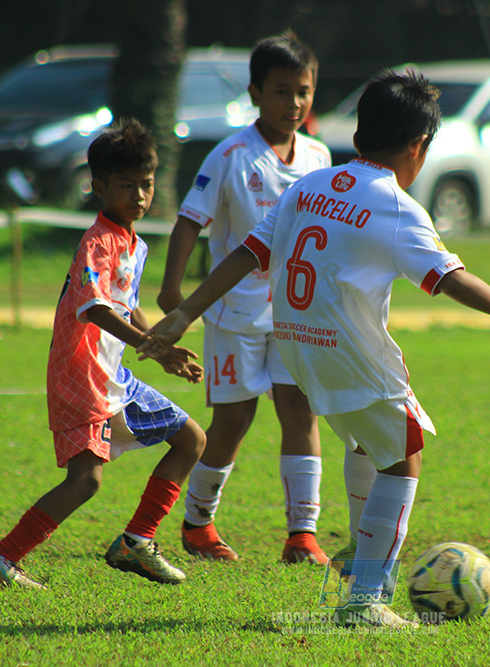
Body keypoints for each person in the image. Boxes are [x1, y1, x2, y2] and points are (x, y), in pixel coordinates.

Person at [140, 70, 490, 627]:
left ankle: (358, 557)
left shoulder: (307, 187)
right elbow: (448, 277)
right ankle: (365, 600)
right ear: (418, 147)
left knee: (365, 445)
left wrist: (187, 311)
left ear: (358, 136)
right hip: (349, 352)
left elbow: (248, 253)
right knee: (404, 454)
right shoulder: (395, 205)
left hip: (300, 348)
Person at [0, 119, 208, 589]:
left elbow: (125, 303)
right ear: (99, 187)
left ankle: (137, 541)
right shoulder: (97, 241)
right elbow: (95, 306)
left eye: (146, 184)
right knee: (85, 481)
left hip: (113, 374)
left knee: (191, 440)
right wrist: (146, 343)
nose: (139, 195)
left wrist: (160, 347)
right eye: (126, 185)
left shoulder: (133, 242)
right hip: (83, 377)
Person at [157, 30, 331, 565]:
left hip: (297, 313)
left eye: (303, 91)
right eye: (281, 91)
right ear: (255, 93)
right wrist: (172, 291)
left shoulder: (319, 156)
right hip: (235, 313)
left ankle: (302, 536)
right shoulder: (231, 155)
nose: (294, 103)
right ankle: (197, 524)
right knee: (234, 421)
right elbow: (190, 220)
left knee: (300, 412)